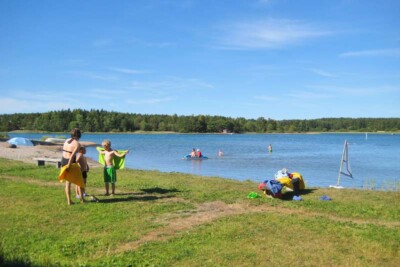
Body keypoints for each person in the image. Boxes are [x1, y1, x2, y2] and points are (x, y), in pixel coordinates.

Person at [61, 128, 84, 205]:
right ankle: (82, 199)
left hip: (63, 160)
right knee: (79, 180)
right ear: (79, 135)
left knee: (68, 183)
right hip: (70, 162)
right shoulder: (77, 144)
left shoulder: (66, 140)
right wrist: (69, 166)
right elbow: (72, 156)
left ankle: (69, 201)